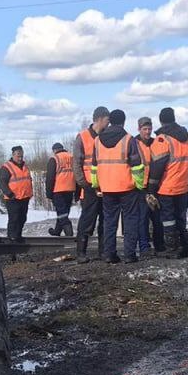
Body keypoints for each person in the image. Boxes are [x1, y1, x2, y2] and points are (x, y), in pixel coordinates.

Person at [93, 109, 144, 264]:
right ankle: (129, 254)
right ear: (123, 121)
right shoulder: (128, 139)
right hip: (127, 188)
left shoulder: (97, 140)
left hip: (107, 188)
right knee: (130, 221)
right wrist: (140, 185)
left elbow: (94, 166)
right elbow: (137, 166)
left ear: (110, 121)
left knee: (109, 222)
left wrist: (97, 185)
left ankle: (109, 254)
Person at [147, 107, 188, 258]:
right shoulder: (187, 138)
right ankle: (187, 247)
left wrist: (151, 189)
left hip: (166, 187)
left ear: (161, 121)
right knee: (181, 218)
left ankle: (172, 249)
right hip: (183, 186)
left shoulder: (162, 139)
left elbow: (157, 166)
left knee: (168, 220)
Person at [72, 106, 110, 263]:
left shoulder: (107, 137)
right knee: (87, 221)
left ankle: (103, 251)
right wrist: (84, 184)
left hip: (106, 186)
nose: (109, 124)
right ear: (100, 119)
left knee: (105, 221)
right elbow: (77, 164)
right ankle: (81, 252)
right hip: (89, 187)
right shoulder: (82, 137)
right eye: (107, 120)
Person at [135, 116, 166, 255]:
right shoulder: (134, 143)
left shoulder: (156, 143)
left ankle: (159, 245)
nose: (147, 132)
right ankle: (144, 246)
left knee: (157, 218)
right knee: (143, 218)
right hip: (141, 187)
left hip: (155, 185)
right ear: (139, 129)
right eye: (144, 129)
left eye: (149, 129)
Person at [0, 145, 33, 242]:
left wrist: (30, 193)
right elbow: (2, 182)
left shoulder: (25, 166)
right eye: (18, 156)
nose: (20, 158)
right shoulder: (7, 167)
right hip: (13, 198)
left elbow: (28, 180)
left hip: (24, 197)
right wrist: (9, 194)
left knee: (22, 218)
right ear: (13, 155)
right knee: (14, 219)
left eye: (21, 156)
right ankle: (12, 238)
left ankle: (18, 236)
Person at [45, 142, 76, 237]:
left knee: (62, 213)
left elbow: (50, 178)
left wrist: (49, 193)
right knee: (63, 211)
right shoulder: (72, 158)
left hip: (58, 190)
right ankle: (57, 231)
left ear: (54, 150)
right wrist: (78, 191)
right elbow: (77, 173)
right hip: (70, 189)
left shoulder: (54, 159)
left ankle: (69, 233)